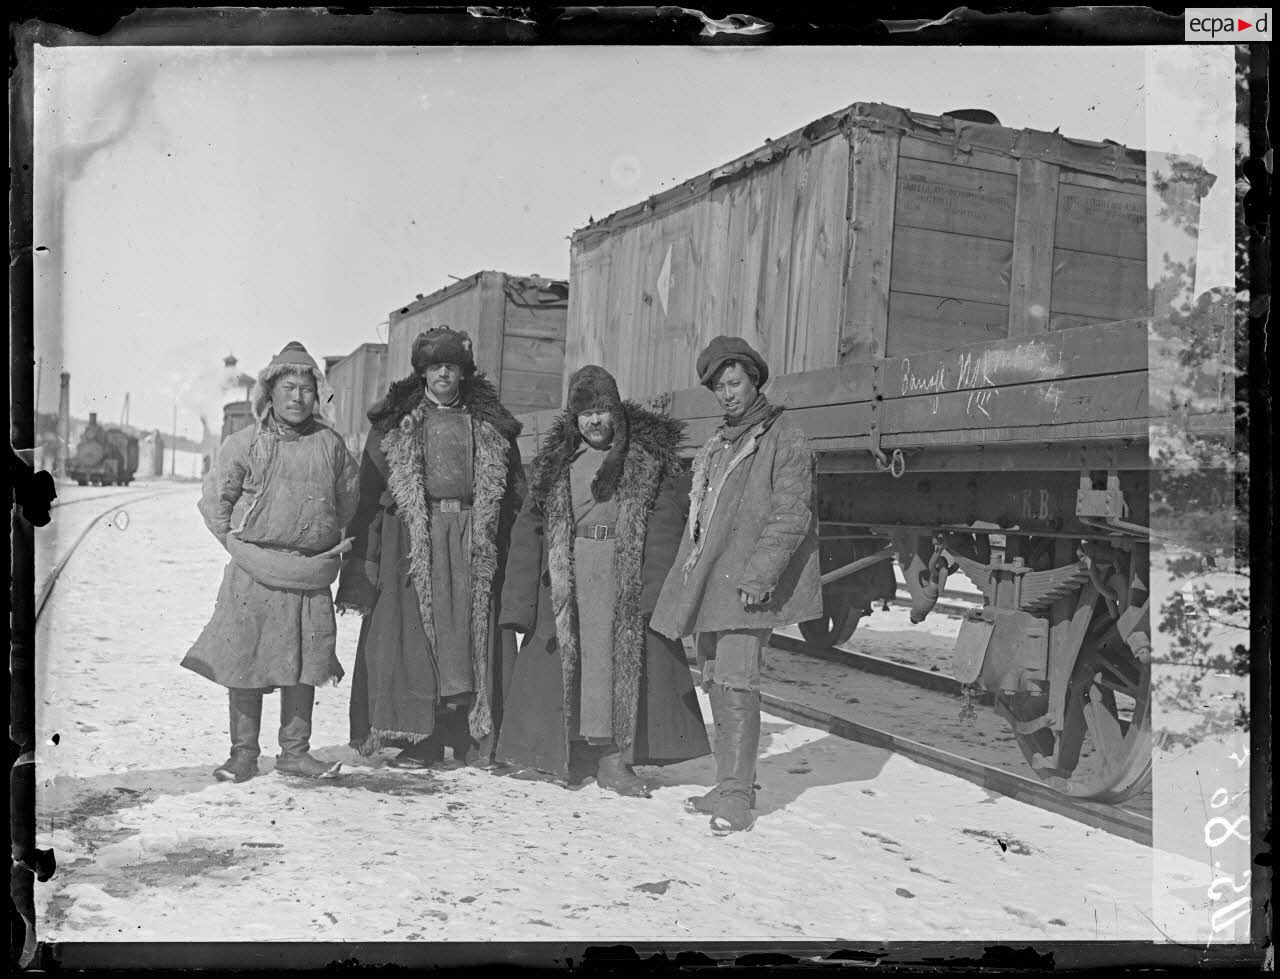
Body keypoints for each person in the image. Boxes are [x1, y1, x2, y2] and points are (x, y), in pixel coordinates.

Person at [496, 365, 710, 795]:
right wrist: (519, 601)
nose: (594, 421)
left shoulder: (645, 463)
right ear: (573, 419)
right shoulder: (555, 465)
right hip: (567, 578)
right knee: (568, 666)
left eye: (602, 410)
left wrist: (654, 591)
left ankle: (614, 758)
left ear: (617, 412)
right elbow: (527, 532)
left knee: (613, 667)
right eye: (584, 413)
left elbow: (666, 528)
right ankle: (570, 752)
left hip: (620, 579)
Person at [650, 336, 822, 833]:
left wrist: (760, 575)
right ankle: (727, 784)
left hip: (748, 587)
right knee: (717, 681)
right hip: (713, 582)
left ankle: (738, 797)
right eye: (719, 387)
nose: (727, 394)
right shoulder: (720, 442)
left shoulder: (784, 436)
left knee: (738, 682)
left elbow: (791, 514)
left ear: (754, 381)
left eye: (735, 383)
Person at [336, 327, 524, 770]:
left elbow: (515, 494)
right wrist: (363, 568)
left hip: (471, 539)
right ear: (422, 373)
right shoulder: (395, 428)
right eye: (435, 366)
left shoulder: (489, 424)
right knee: (419, 638)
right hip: (415, 541)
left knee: (467, 636)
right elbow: (366, 500)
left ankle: (468, 735)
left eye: (452, 366)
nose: (444, 373)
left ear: (462, 372)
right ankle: (421, 737)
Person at [183, 340, 360, 781]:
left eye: (305, 388)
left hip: (308, 571)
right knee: (248, 659)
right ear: (270, 393)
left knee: (304, 663)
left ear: (316, 395)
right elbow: (215, 503)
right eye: (288, 388)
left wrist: (311, 541)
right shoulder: (244, 443)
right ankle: (242, 755)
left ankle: (295, 753)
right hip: (252, 575)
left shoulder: (332, 445)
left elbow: (347, 502)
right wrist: (240, 548)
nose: (297, 397)